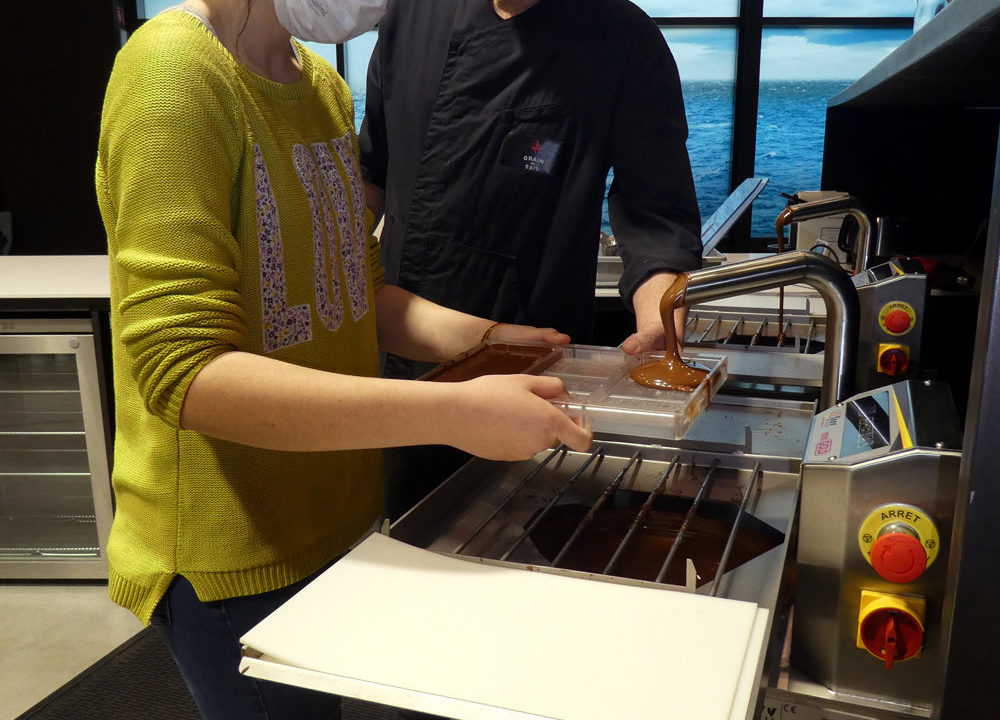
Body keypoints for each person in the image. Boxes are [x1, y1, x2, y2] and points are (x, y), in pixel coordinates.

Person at [95, 1, 592, 719]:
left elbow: (354, 293)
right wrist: (452, 412)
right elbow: (187, 373)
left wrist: (490, 340)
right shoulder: (172, 73)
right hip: (232, 553)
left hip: (334, 524)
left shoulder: (322, 88)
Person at [359, 0, 703, 519]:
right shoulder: (411, 15)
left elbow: (656, 212)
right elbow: (371, 173)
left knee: (527, 538)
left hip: (537, 369)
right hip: (406, 365)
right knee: (411, 539)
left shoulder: (623, 38)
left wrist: (659, 312)